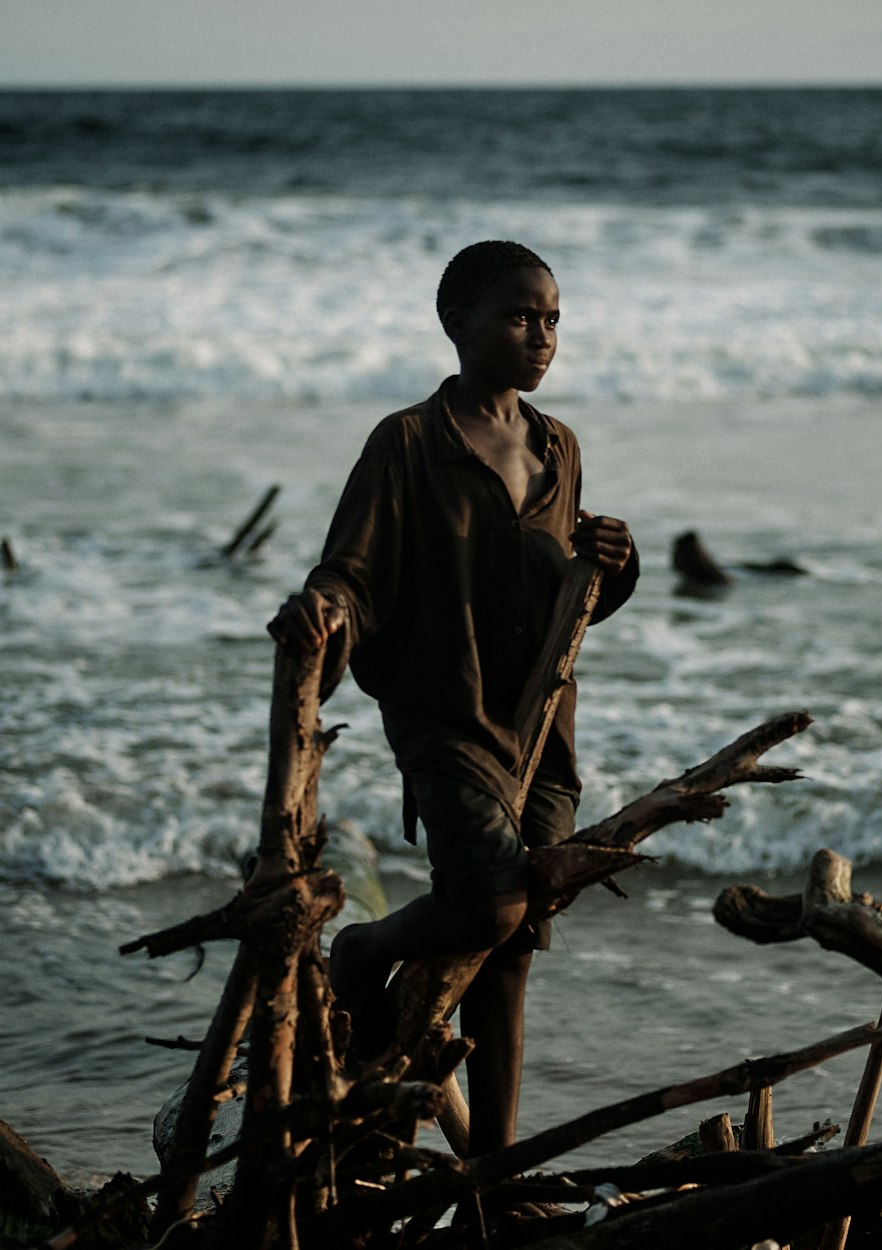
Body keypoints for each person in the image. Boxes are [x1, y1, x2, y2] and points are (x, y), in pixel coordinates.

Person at [268, 240, 638, 1157]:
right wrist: (325, 608)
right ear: (457, 324)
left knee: (514, 945)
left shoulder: (559, 447)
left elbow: (568, 594)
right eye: (519, 316)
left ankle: (492, 1168)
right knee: (490, 904)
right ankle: (362, 952)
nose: (541, 335)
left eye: (552, 318)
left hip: (545, 724)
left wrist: (617, 569)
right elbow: (354, 570)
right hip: (448, 719)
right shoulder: (408, 442)